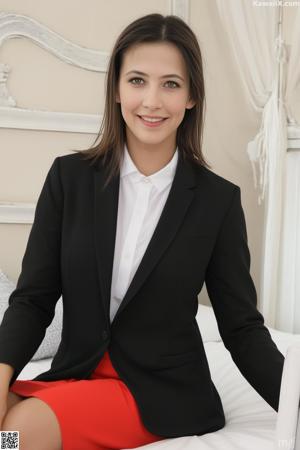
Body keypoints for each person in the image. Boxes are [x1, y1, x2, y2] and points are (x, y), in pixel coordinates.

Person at [0, 12, 285, 450]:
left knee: (14, 438)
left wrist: (295, 402)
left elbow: (242, 328)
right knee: (5, 421)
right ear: (116, 89)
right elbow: (33, 299)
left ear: (191, 97)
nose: (152, 100)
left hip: (162, 393)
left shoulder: (217, 201)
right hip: (79, 373)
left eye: (171, 83)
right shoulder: (69, 179)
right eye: (137, 80)